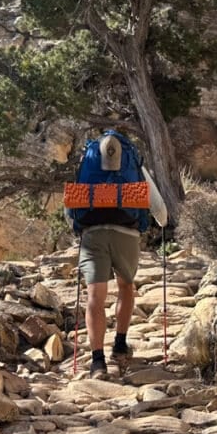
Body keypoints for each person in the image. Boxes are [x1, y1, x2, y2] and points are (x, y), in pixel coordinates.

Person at [67, 131, 168, 379]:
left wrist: (79, 227)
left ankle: (97, 362)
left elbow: (71, 209)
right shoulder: (134, 164)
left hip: (93, 234)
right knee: (126, 286)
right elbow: (160, 209)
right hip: (126, 233)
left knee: (95, 295)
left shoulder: (87, 164)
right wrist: (161, 223)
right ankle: (120, 344)